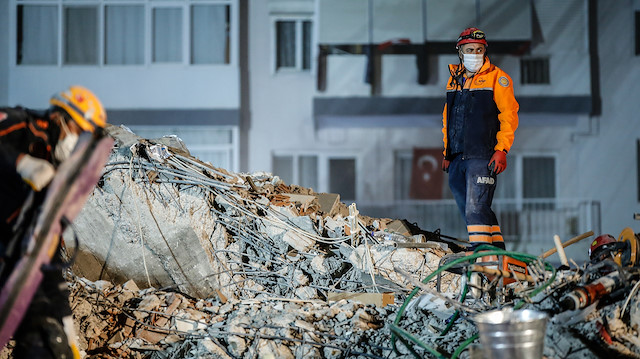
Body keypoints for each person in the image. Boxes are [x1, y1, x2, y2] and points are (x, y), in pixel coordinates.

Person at [0, 86, 107, 358]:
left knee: (48, 343)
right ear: (61, 118)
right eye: (79, 134)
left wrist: (67, 330)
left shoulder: (54, 180)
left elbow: (47, 261)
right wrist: (21, 162)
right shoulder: (19, 124)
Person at [441, 28, 519, 253]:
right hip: (457, 157)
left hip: (481, 155)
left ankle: (482, 252)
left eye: (479, 49)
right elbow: (448, 118)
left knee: (476, 207)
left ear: (485, 50)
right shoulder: (454, 80)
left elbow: (509, 115)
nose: (475, 53)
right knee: (471, 207)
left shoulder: (498, 78)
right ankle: (496, 250)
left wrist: (502, 149)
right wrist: (448, 152)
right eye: (470, 50)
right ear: (460, 52)